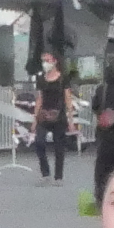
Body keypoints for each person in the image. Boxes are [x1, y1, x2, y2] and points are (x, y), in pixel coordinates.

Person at [29, 53, 74, 185]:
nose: (45, 64)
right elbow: (39, 99)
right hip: (43, 115)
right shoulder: (41, 79)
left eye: (47, 60)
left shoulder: (63, 78)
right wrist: (34, 119)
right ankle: (45, 173)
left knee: (59, 146)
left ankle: (58, 176)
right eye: (43, 61)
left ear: (54, 62)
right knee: (39, 142)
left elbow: (68, 98)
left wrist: (71, 120)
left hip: (59, 115)